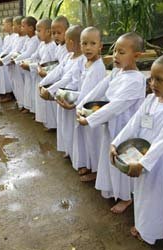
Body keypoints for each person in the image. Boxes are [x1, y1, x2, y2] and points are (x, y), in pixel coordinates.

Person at [111, 52, 163, 244]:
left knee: (155, 198)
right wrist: (116, 142)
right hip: (140, 157)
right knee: (142, 194)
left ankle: (151, 234)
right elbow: (133, 123)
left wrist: (144, 163)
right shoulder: (151, 100)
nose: (153, 83)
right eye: (151, 78)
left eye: (159, 80)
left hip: (159, 164)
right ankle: (142, 224)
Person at [78, 33, 146, 214]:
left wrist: (89, 119)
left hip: (125, 127)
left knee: (120, 160)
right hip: (111, 124)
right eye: (115, 50)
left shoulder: (136, 80)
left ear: (136, 56)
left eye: (121, 52)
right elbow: (100, 88)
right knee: (108, 157)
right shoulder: (117, 71)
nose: (115, 55)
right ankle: (111, 188)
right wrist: (82, 105)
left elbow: (116, 106)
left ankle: (125, 197)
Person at [41, 25, 84, 158]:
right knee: (64, 125)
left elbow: (68, 79)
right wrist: (43, 83)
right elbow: (58, 71)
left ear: (70, 42)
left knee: (72, 127)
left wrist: (50, 90)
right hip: (62, 94)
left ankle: (75, 154)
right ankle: (68, 149)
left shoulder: (81, 60)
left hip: (71, 97)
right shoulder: (69, 56)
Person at [71, 27, 106, 181]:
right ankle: (89, 165)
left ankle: (97, 171)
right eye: (84, 44)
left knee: (95, 141)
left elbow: (90, 94)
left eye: (93, 43)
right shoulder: (86, 63)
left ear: (100, 46)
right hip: (82, 107)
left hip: (93, 110)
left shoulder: (98, 67)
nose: (88, 47)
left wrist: (74, 104)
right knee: (87, 140)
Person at [20, 18, 57, 128]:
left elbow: (49, 64)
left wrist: (30, 66)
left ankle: (53, 124)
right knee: (42, 102)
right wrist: (27, 62)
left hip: (48, 77)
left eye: (39, 30)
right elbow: (34, 57)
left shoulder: (53, 46)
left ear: (48, 31)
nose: (37, 33)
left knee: (50, 104)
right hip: (39, 75)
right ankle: (48, 123)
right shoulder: (41, 44)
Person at [0, 16, 27, 108]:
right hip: (12, 63)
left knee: (21, 84)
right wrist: (3, 57)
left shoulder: (25, 38)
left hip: (19, 65)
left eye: (14, 25)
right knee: (15, 84)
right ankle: (20, 101)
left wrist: (6, 59)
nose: (13, 27)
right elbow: (10, 50)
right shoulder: (16, 38)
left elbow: (19, 52)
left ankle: (24, 104)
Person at [15, 16, 40, 113]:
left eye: (23, 26)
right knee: (28, 88)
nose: (21, 28)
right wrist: (18, 58)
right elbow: (23, 52)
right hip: (26, 66)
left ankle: (34, 109)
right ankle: (29, 107)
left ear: (31, 28)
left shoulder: (35, 39)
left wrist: (16, 59)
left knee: (32, 89)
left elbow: (29, 53)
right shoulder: (28, 39)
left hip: (32, 68)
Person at [0, 17, 15, 102]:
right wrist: (1, 57)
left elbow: (13, 50)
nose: (3, 26)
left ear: (11, 25)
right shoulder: (7, 37)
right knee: (12, 79)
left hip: (12, 60)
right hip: (6, 61)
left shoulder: (15, 36)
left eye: (4, 24)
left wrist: (5, 58)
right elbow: (4, 49)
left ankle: (12, 95)